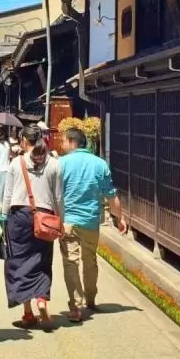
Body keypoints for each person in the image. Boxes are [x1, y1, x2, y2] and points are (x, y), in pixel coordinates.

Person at [59, 127, 128, 322]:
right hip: (91, 220)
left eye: (63, 141)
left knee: (70, 262)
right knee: (90, 261)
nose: (61, 145)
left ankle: (75, 305)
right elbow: (110, 194)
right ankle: (91, 298)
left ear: (72, 142)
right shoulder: (100, 164)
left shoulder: (61, 163)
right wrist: (120, 218)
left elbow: (54, 192)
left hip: (68, 221)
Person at [0, 126, 63, 328]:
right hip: (45, 217)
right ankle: (42, 300)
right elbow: (59, 196)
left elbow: (7, 194)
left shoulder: (16, 163)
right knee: (42, 260)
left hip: (19, 216)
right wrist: (61, 219)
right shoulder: (54, 164)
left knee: (19, 262)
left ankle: (27, 312)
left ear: (25, 141)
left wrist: (2, 215)